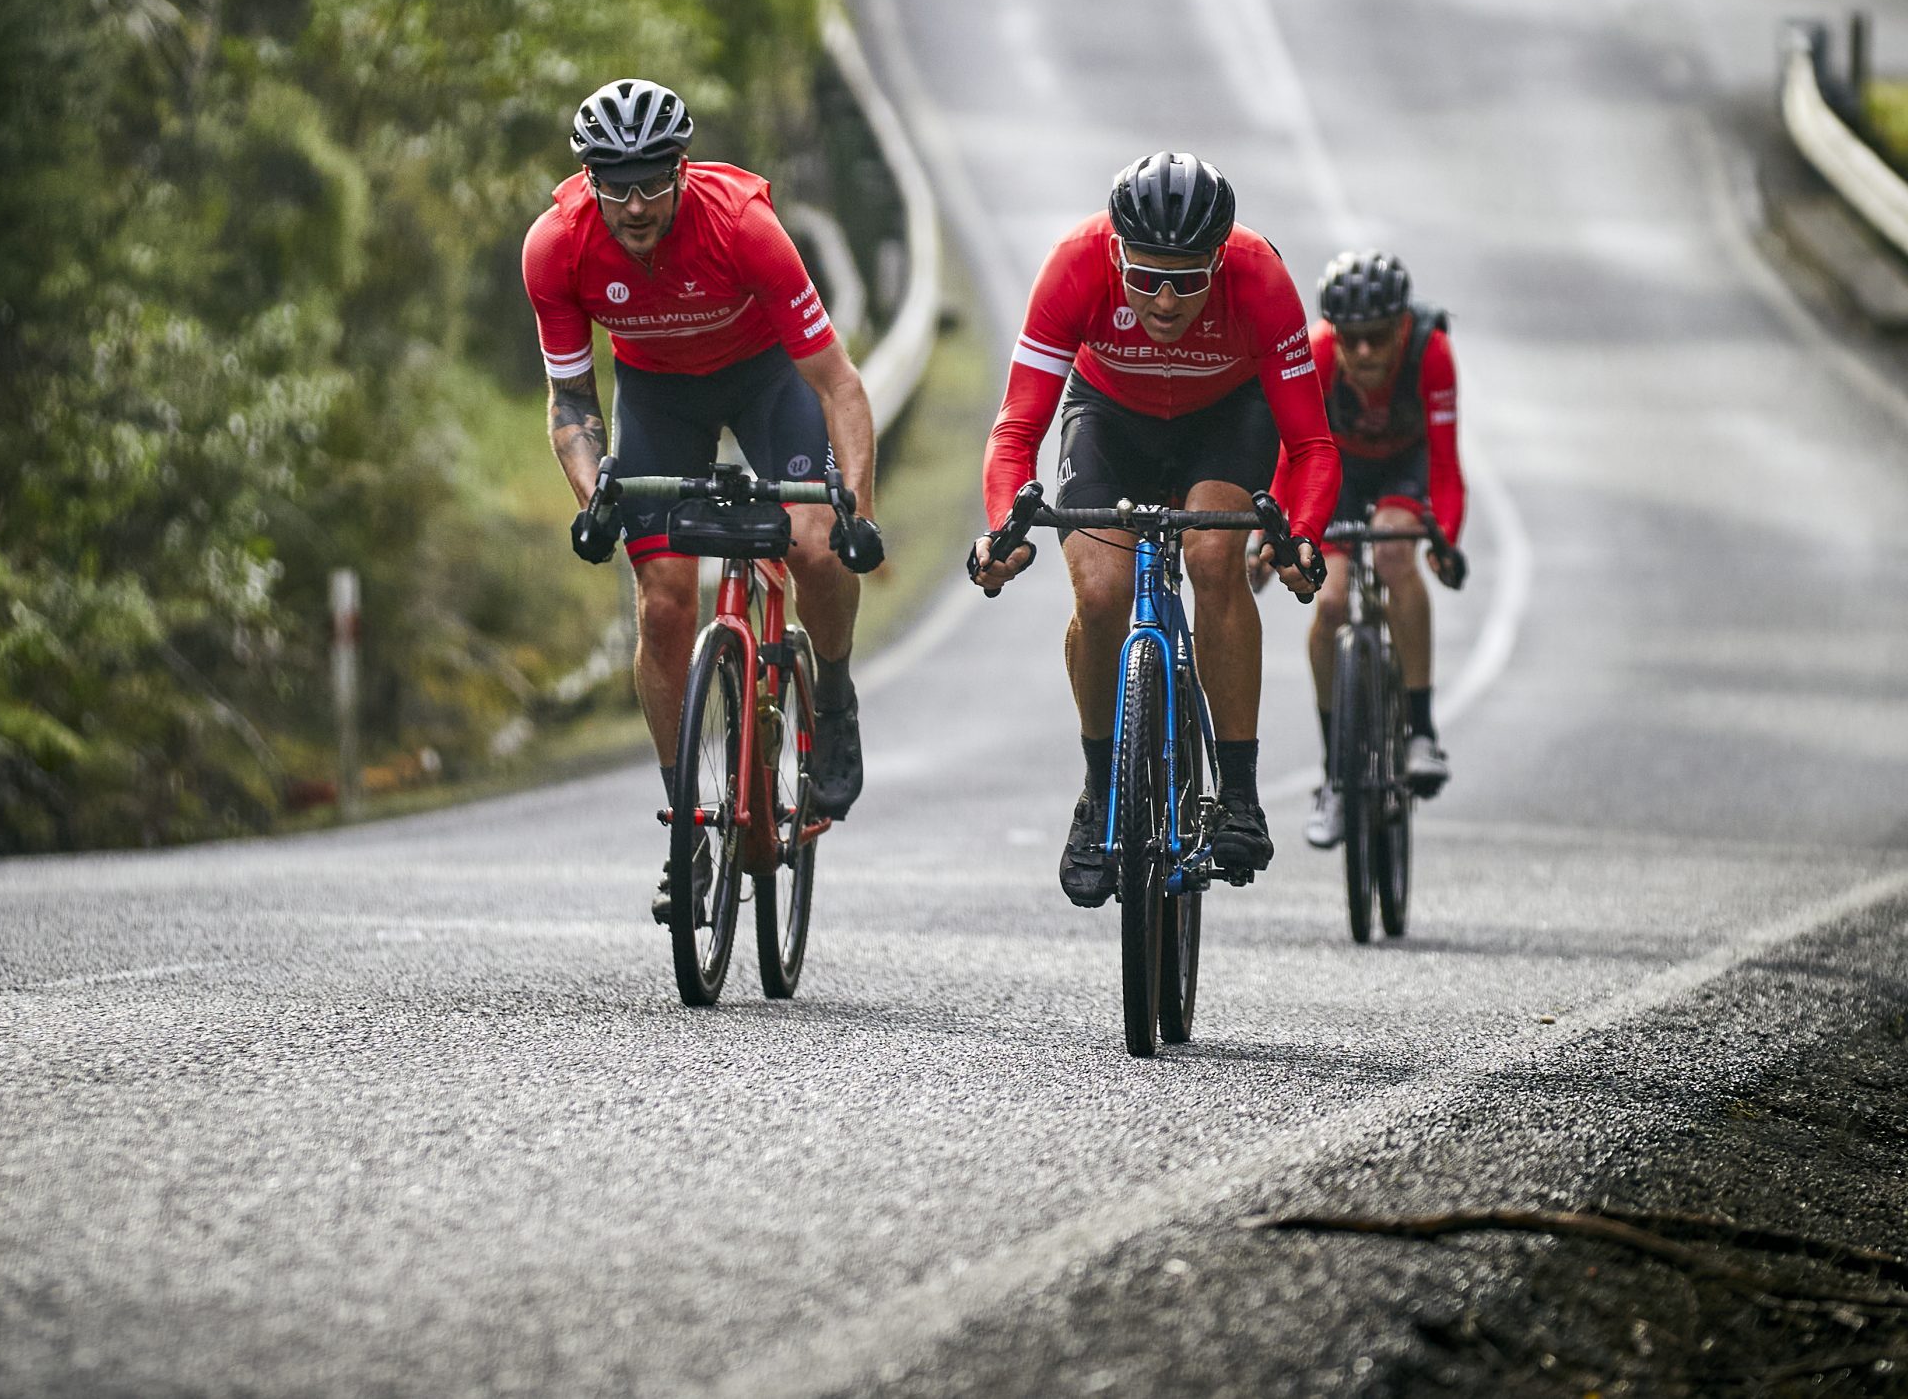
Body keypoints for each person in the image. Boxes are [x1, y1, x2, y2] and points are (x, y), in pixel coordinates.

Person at [523, 79, 885, 919]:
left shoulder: (743, 227)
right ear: (588, 179)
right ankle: (686, 829)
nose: (636, 205)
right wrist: (593, 496)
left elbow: (838, 383)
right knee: (662, 606)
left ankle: (833, 695)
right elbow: (572, 402)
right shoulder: (556, 247)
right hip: (657, 397)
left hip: (766, 380)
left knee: (814, 546)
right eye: (616, 185)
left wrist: (858, 514)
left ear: (683, 169)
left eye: (653, 181)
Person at [967, 151, 1338, 907]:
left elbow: (1312, 446)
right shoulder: (1073, 265)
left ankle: (1239, 795)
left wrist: (1301, 537)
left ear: (1219, 262)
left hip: (1222, 421)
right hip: (1110, 418)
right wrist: (1003, 528)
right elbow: (1015, 430)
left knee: (1213, 560)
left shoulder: (1260, 277)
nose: (1165, 302)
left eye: (1188, 281)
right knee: (1100, 592)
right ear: (1115, 255)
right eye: (1144, 277)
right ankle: (1100, 792)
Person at [1253, 250, 1464, 850]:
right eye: (1352, 338)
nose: (1365, 352)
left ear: (1402, 326)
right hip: (1337, 470)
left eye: (1378, 336)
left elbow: (1446, 465)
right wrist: (1269, 534)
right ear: (1335, 334)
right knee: (1330, 602)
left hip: (1404, 468)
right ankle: (1335, 776)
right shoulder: (1319, 354)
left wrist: (1444, 540)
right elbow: (1291, 456)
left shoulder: (1431, 352)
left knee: (1395, 555)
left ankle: (1420, 731)